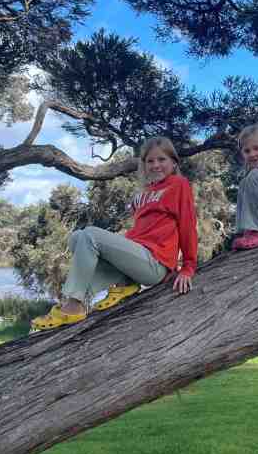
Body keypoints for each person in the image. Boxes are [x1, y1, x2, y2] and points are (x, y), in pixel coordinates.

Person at [31, 136, 199, 331]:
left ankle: (74, 305)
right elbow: (141, 232)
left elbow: (188, 225)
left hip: (156, 263)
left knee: (90, 235)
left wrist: (188, 267)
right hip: (137, 257)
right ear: (144, 165)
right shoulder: (144, 192)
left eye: (162, 159)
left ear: (174, 162)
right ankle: (122, 283)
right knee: (77, 238)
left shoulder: (178, 184)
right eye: (150, 161)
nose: (156, 165)